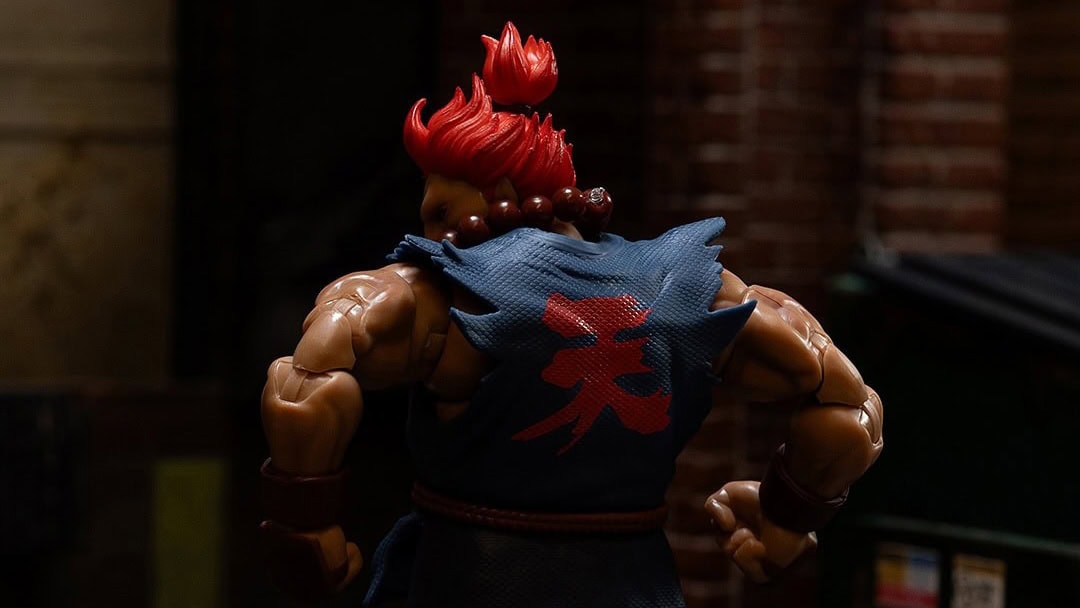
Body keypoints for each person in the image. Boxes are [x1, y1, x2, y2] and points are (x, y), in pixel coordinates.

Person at [258, 22, 883, 607]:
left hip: (465, 581)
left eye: (439, 210)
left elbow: (304, 388)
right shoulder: (695, 287)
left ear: (498, 196)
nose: (433, 233)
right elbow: (850, 411)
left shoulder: (435, 295)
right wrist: (785, 516)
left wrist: (305, 527)